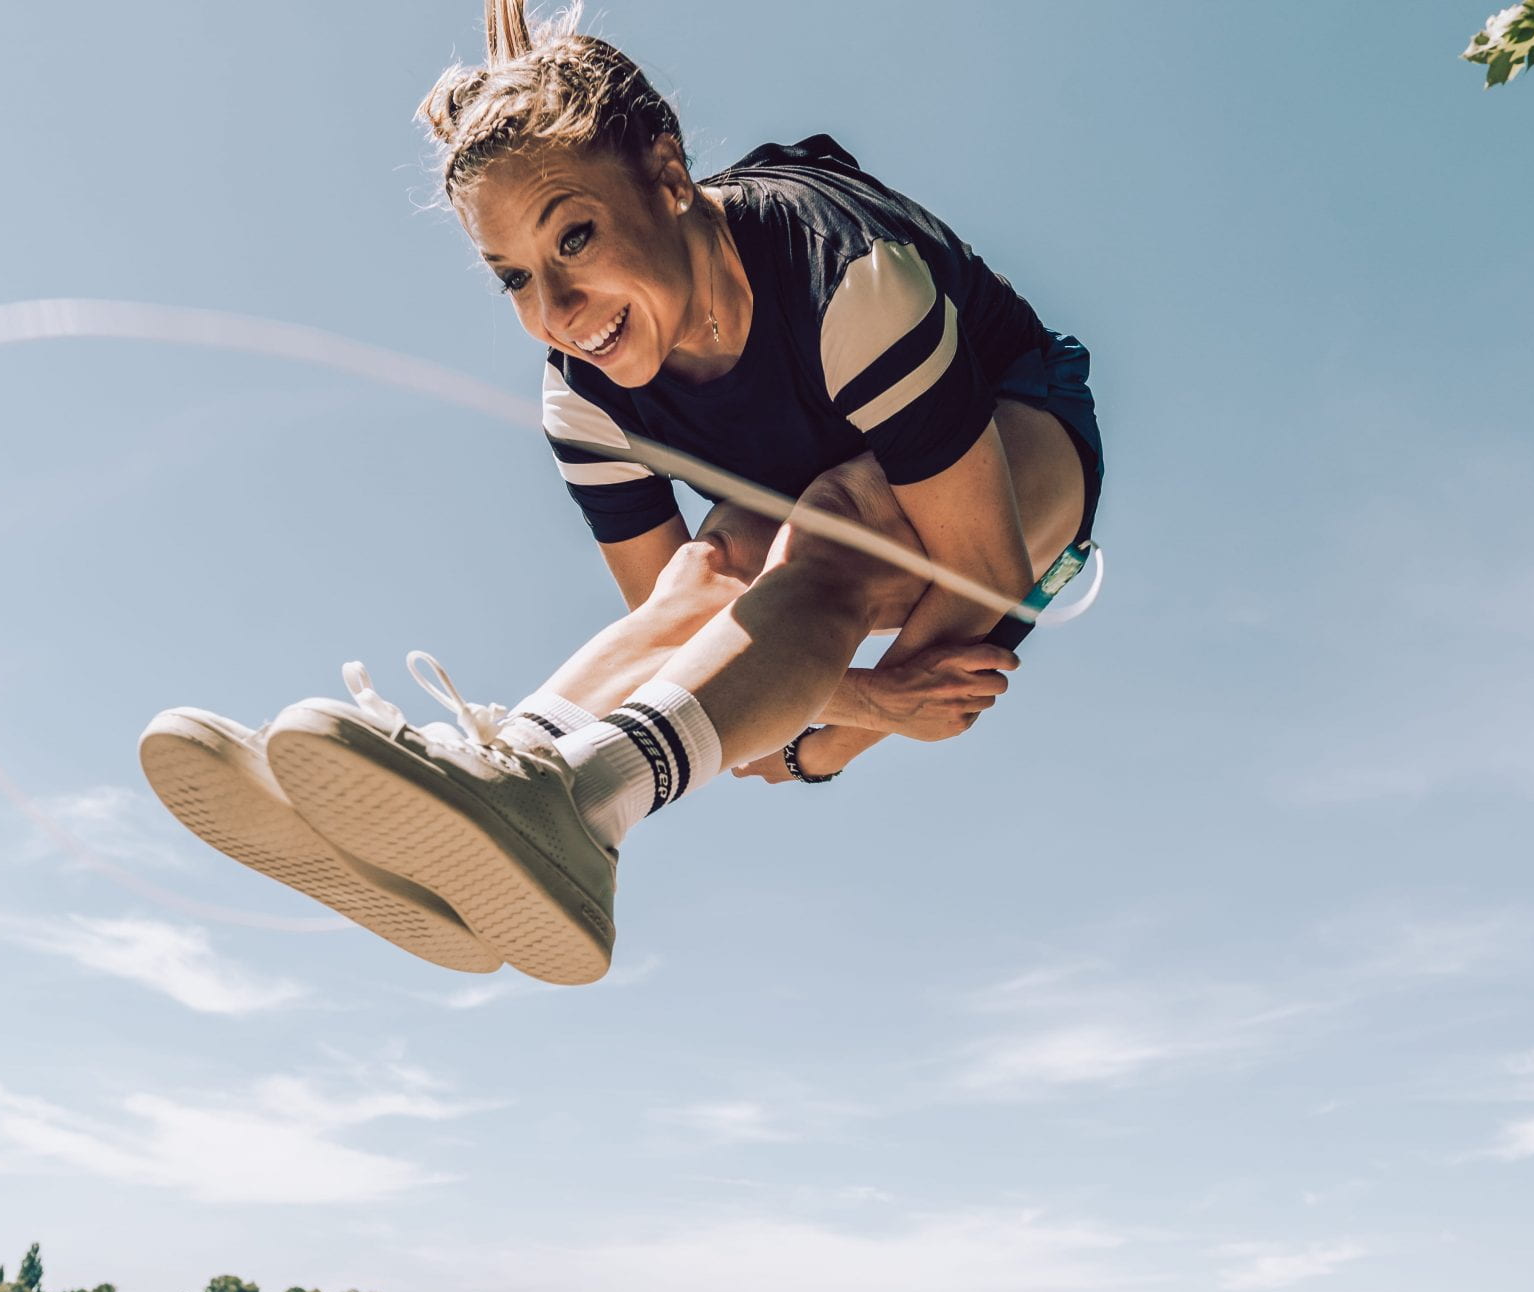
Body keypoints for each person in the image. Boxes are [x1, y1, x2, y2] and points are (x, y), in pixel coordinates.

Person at [140, 0, 1103, 985]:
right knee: (708, 569)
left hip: (1013, 437)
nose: (556, 312)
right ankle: (511, 773)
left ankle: (587, 804)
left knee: (835, 526)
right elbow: (682, 629)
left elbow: (984, 572)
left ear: (671, 176)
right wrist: (854, 701)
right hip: (814, 472)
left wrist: (832, 742)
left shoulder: (849, 285)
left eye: (575, 238)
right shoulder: (583, 398)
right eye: (513, 277)